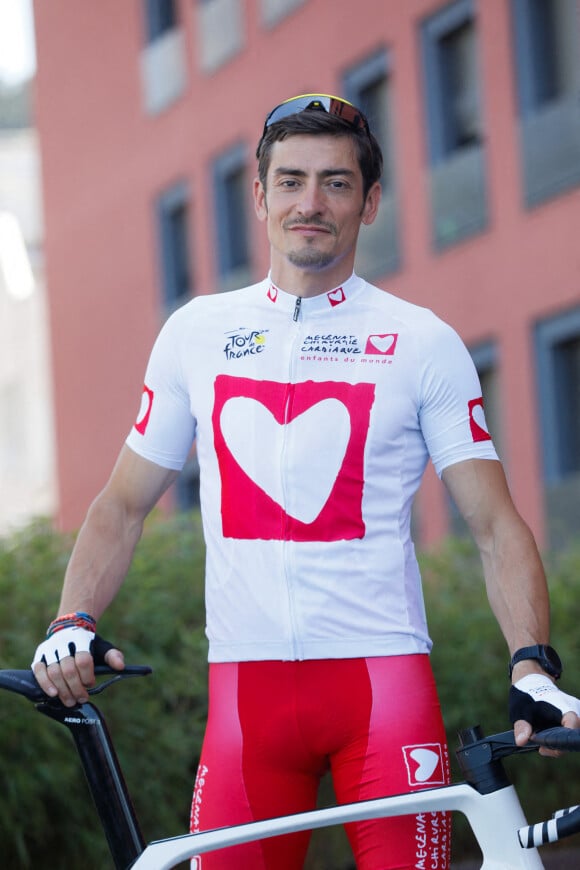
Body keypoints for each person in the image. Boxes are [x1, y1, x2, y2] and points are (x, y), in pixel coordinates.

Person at [32, 94, 580, 869]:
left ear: (371, 201)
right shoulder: (196, 333)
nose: (310, 203)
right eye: (290, 181)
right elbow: (123, 505)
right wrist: (70, 621)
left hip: (382, 691)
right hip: (245, 703)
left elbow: (494, 525)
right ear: (258, 196)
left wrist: (533, 665)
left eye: (335, 182)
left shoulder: (423, 342)